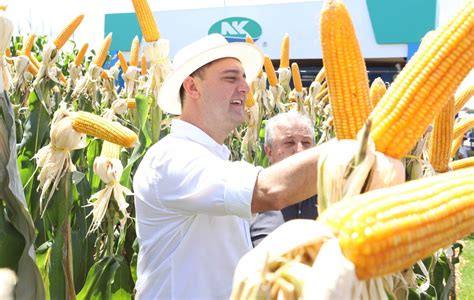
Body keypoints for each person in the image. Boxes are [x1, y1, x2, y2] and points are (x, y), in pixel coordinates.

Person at [133, 34, 356, 299]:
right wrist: (356, 145)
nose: (245, 87)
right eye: (230, 78)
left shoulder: (213, 158)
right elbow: (270, 191)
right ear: (192, 87)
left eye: (243, 78)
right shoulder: (172, 157)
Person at [250, 112, 318, 247]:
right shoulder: (252, 197)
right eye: (289, 143)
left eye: (306, 142)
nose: (300, 150)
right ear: (269, 152)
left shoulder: (330, 195)